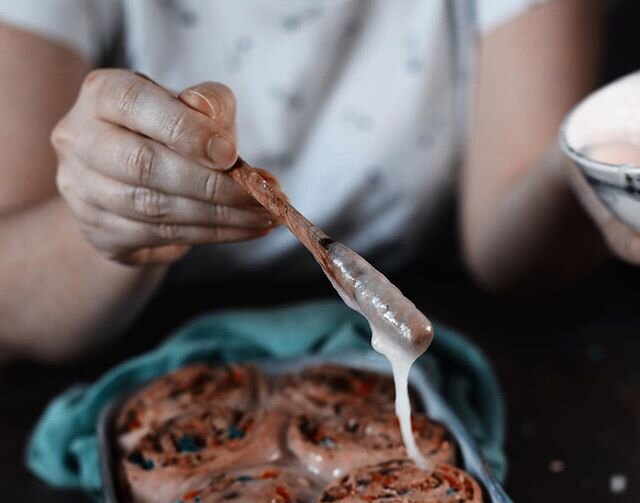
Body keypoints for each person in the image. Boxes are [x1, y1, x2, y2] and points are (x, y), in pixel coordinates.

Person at [0, 0, 622, 364]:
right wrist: (107, 215)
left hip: (469, 330)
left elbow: (513, 252)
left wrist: (594, 171)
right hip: (131, 351)